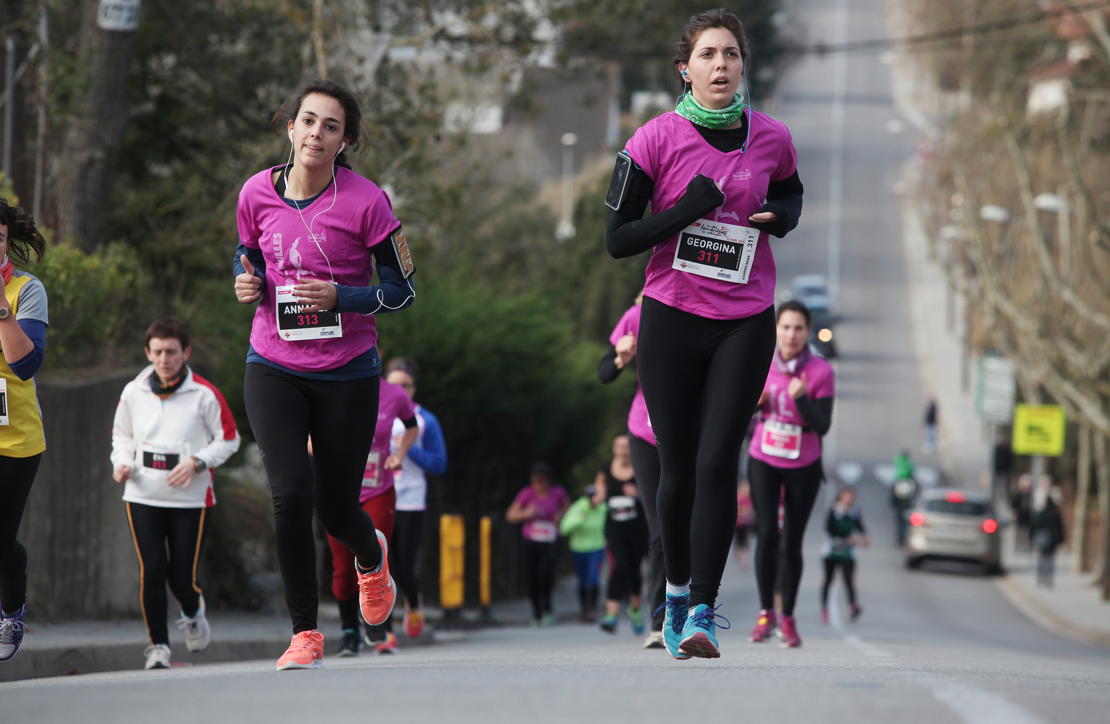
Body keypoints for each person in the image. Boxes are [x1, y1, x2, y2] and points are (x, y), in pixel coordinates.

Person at [605, 9, 803, 659]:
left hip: (746, 317)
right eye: (709, 54)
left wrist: (781, 218)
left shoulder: (771, 138)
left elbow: (792, 196)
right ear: (684, 69)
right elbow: (618, 240)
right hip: (672, 313)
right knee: (680, 468)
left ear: (744, 65)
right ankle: (675, 592)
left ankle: (700, 615)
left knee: (721, 460)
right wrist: (686, 208)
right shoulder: (653, 140)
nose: (722, 64)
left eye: (732, 54)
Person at [232, 77, 416, 670]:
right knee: (289, 494)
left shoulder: (368, 202)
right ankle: (305, 633)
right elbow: (249, 251)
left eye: (331, 126)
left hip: (347, 372)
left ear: (346, 141)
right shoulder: (256, 191)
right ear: (291, 127)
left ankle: (371, 557)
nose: (316, 133)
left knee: (338, 508)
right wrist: (246, 277)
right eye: (308, 121)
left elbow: (402, 292)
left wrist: (343, 298)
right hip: (273, 364)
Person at [111, 319, 241, 669]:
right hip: (142, 494)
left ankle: (192, 610)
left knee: (181, 578)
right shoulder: (133, 392)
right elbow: (121, 437)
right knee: (152, 569)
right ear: (147, 353)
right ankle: (158, 647)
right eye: (157, 352)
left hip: (191, 499)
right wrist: (121, 462)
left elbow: (230, 439)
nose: (163, 359)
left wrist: (198, 462)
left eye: (171, 352)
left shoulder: (205, 394)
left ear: (186, 352)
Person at [747, 300, 834, 649]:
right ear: (776, 330)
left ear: (807, 332)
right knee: (767, 533)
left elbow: (822, 426)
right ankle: (766, 612)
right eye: (785, 327)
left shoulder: (820, 372)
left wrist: (801, 401)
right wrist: (754, 403)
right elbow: (736, 412)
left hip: (804, 463)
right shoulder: (760, 363)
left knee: (791, 542)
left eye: (798, 328)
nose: (791, 334)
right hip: (764, 457)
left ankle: (788, 617)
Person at [319, 374, 418, 657]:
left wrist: (399, 454)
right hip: (339, 491)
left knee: (375, 556)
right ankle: (349, 632)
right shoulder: (329, 384)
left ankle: (380, 627)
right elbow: (308, 436)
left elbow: (411, 427)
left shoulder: (394, 394)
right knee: (342, 565)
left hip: (378, 491)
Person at [598, 294, 666, 649]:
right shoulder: (637, 316)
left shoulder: (707, 312)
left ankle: (693, 606)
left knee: (684, 520)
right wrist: (621, 359)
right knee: (658, 526)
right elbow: (604, 372)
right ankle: (660, 620)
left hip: (691, 431)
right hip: (643, 431)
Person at [0, 200, 47, 664]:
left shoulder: (26, 290)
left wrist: (0, 307)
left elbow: (27, 364)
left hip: (15, 440)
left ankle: (12, 606)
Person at [385, 358, 447, 641]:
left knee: (404, 567)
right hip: (379, 495)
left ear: (413, 388)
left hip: (411, 500)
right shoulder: (376, 413)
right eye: (392, 385)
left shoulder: (425, 420)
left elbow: (439, 463)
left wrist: (408, 450)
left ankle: (412, 603)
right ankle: (383, 631)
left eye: (405, 386)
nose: (399, 391)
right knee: (379, 565)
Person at [596, 434, 649, 636]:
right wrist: (599, 496)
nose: (623, 451)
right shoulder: (606, 468)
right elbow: (600, 486)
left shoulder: (641, 466)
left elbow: (654, 492)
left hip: (637, 528)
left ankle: (635, 609)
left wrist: (638, 495)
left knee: (634, 569)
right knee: (617, 566)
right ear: (614, 448)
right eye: (619, 447)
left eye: (626, 447)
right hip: (614, 527)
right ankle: (612, 615)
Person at [506, 462, 569, 626]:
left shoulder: (557, 493)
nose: (539, 484)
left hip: (550, 541)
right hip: (531, 541)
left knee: (545, 576)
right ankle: (536, 613)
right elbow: (511, 515)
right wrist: (526, 513)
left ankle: (547, 609)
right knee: (531, 578)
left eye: (543, 480)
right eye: (536, 480)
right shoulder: (526, 494)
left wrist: (560, 516)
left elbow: (569, 509)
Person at [560, 484, 608, 622]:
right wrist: (580, 519)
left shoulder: (603, 508)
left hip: (597, 548)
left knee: (593, 578)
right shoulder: (578, 507)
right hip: (578, 549)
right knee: (582, 581)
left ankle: (592, 610)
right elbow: (564, 528)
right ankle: (584, 610)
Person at [819, 486, 868, 624]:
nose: (849, 500)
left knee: (849, 579)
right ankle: (824, 608)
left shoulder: (855, 511)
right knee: (828, 580)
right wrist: (845, 538)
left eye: (851, 498)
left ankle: (852, 605)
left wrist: (864, 536)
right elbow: (828, 529)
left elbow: (860, 525)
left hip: (848, 552)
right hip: (831, 551)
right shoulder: (834, 510)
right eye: (847, 497)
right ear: (841, 497)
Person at [1031, 480, 1064, 588]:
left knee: (1041, 558)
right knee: (1050, 559)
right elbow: (1060, 529)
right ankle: (1049, 578)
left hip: (1041, 538)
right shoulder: (1056, 515)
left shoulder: (1040, 514)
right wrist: (1061, 540)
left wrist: (1031, 537)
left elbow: (1034, 527)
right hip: (1053, 539)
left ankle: (1040, 577)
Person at [892, 450, 918, 547]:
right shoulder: (910, 469)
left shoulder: (898, 477)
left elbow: (893, 492)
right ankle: (903, 538)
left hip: (899, 503)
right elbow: (915, 491)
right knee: (906, 522)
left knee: (899, 521)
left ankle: (899, 538)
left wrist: (893, 502)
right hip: (907, 503)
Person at [734, 480, 754, 568]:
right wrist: (744, 510)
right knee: (738, 541)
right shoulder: (739, 498)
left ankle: (743, 558)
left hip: (746, 525)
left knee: (744, 542)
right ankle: (739, 552)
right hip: (738, 524)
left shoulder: (749, 499)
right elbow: (737, 508)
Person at [1011, 473, 1033, 553]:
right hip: (1020, 518)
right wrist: (1014, 515)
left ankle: (1026, 547)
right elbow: (1014, 506)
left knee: (1026, 533)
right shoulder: (1018, 495)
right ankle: (1018, 547)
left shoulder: (1031, 495)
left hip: (1028, 518)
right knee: (1019, 533)